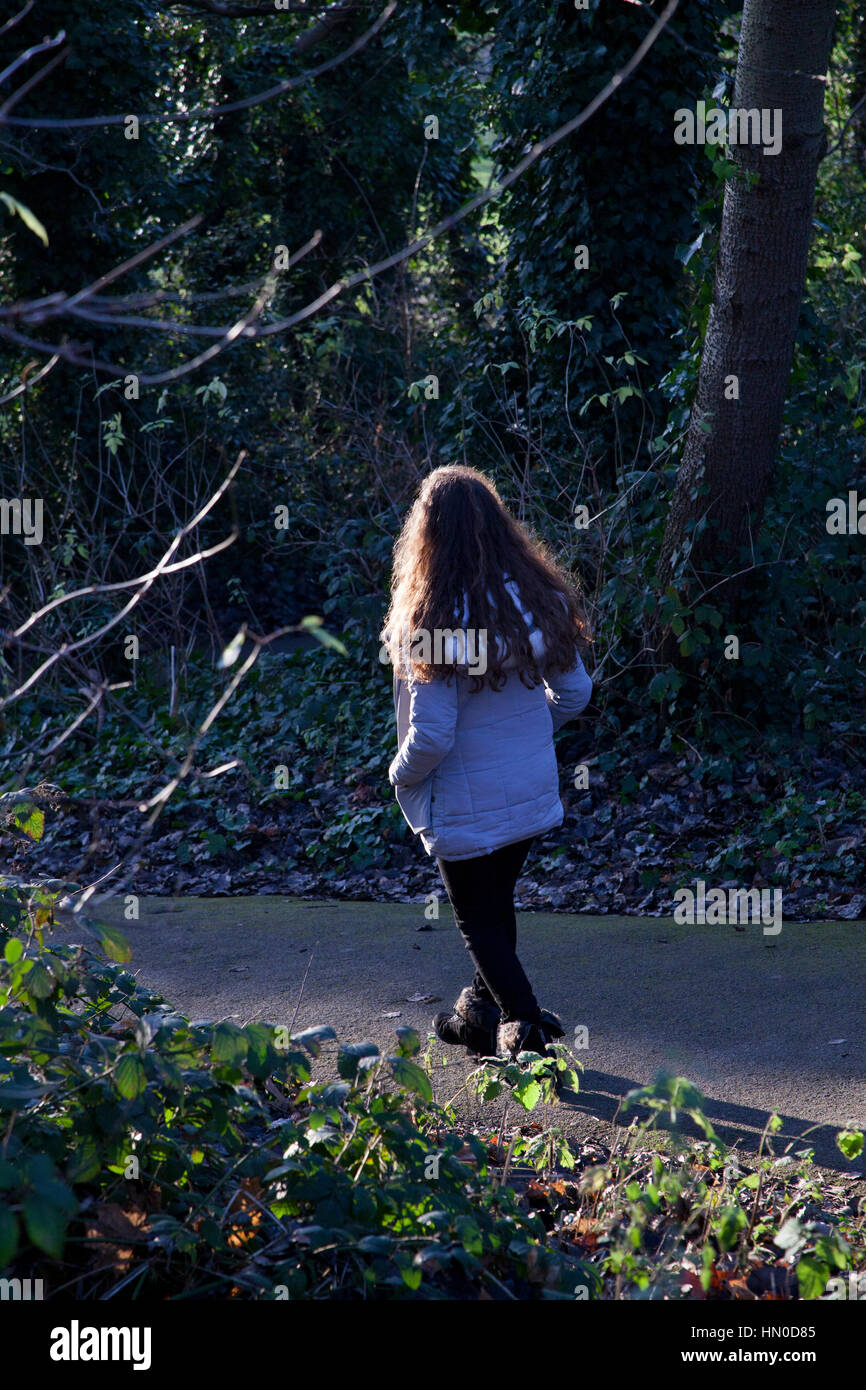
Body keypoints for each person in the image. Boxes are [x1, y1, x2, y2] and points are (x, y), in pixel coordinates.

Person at [380, 465, 593, 1061]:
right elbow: (575, 694)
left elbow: (432, 736)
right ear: (499, 525)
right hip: (528, 795)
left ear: (427, 535)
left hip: (465, 804)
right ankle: (475, 1015)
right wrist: (528, 738)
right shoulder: (539, 599)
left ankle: (524, 1031)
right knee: (496, 911)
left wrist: (400, 777)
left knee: (478, 921)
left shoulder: (432, 622)